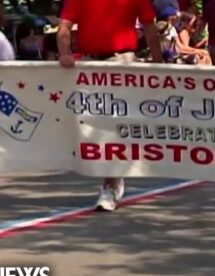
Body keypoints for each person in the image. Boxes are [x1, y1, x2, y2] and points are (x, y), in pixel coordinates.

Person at [57, 0, 163, 211]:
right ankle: (113, 177)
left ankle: (111, 183)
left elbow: (149, 26)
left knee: (113, 122)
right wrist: (64, 53)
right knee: (92, 121)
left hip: (122, 63)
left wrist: (158, 61)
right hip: (90, 64)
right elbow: (64, 27)